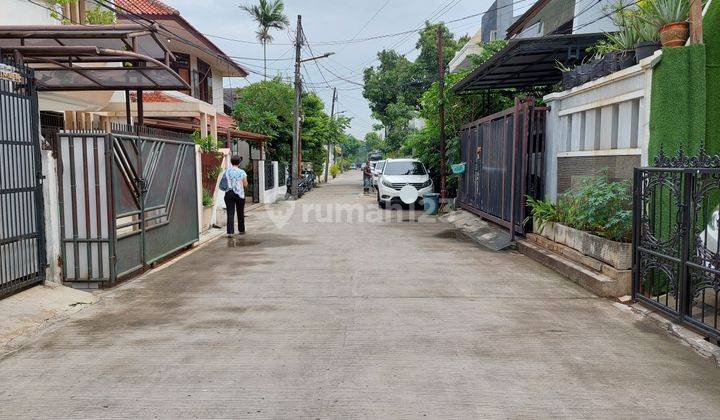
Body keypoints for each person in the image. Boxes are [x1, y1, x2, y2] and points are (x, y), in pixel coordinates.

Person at [223, 155, 248, 237]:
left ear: (231, 162)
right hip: (239, 194)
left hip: (229, 193)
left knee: (230, 213)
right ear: (239, 163)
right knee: (240, 212)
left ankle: (230, 232)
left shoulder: (226, 171)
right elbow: (245, 184)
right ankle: (241, 230)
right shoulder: (242, 172)